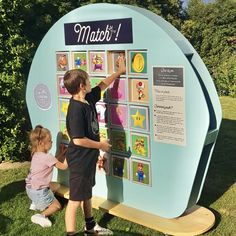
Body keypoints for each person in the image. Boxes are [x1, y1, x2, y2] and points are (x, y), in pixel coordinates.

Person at [63, 57, 126, 235]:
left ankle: (90, 226)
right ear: (82, 86)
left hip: (87, 158)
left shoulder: (88, 98)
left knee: (86, 193)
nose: (91, 82)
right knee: (75, 200)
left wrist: (119, 72)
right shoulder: (75, 109)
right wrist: (101, 145)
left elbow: (103, 85)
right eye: (88, 80)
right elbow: (77, 140)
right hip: (79, 160)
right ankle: (71, 233)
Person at [25, 125, 68, 227]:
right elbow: (63, 166)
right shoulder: (47, 157)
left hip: (30, 188)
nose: (52, 142)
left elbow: (52, 161)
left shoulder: (36, 154)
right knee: (57, 206)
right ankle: (41, 215)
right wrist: (70, 154)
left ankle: (35, 203)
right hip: (40, 191)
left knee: (56, 186)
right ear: (41, 143)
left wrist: (62, 153)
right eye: (50, 140)